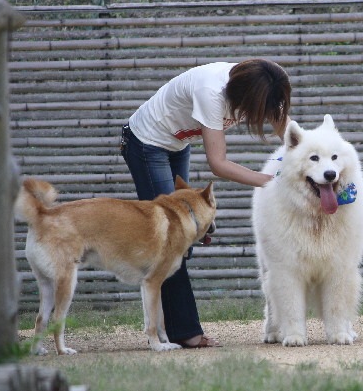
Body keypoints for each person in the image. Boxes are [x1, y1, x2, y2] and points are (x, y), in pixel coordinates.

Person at [120, 58, 292, 348]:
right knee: (172, 237)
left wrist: (311, 161)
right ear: (246, 96)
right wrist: (273, 182)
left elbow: (289, 133)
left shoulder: (260, 83)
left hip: (177, 144)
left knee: (183, 237)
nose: (264, 116)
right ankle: (184, 331)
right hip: (146, 143)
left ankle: (169, 325)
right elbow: (218, 163)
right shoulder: (211, 92)